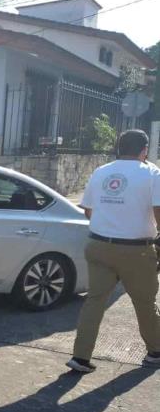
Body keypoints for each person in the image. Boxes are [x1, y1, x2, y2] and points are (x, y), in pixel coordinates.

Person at [67, 129, 160, 373]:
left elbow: (88, 210)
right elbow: (159, 211)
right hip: (135, 250)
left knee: (95, 301)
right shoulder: (152, 173)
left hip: (98, 245)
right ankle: (156, 352)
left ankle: (80, 357)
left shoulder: (101, 171)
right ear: (144, 150)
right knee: (144, 302)